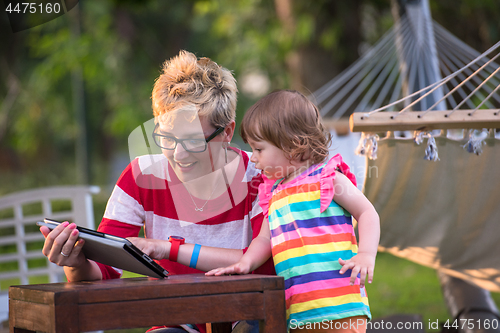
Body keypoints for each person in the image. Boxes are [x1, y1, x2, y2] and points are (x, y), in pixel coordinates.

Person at [39, 50, 274, 333]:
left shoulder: (261, 176)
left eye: (192, 141)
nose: (178, 154)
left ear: (226, 132)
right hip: (176, 321)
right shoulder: (141, 177)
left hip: (247, 316)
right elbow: (105, 271)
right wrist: (75, 263)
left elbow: (263, 262)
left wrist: (169, 249)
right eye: (166, 138)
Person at [206, 90, 380, 333]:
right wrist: (245, 262)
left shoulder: (328, 178)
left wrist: (366, 254)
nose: (253, 158)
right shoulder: (273, 193)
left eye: (259, 149)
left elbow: (367, 213)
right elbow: (264, 239)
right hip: (298, 309)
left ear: (293, 145)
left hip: (340, 304)